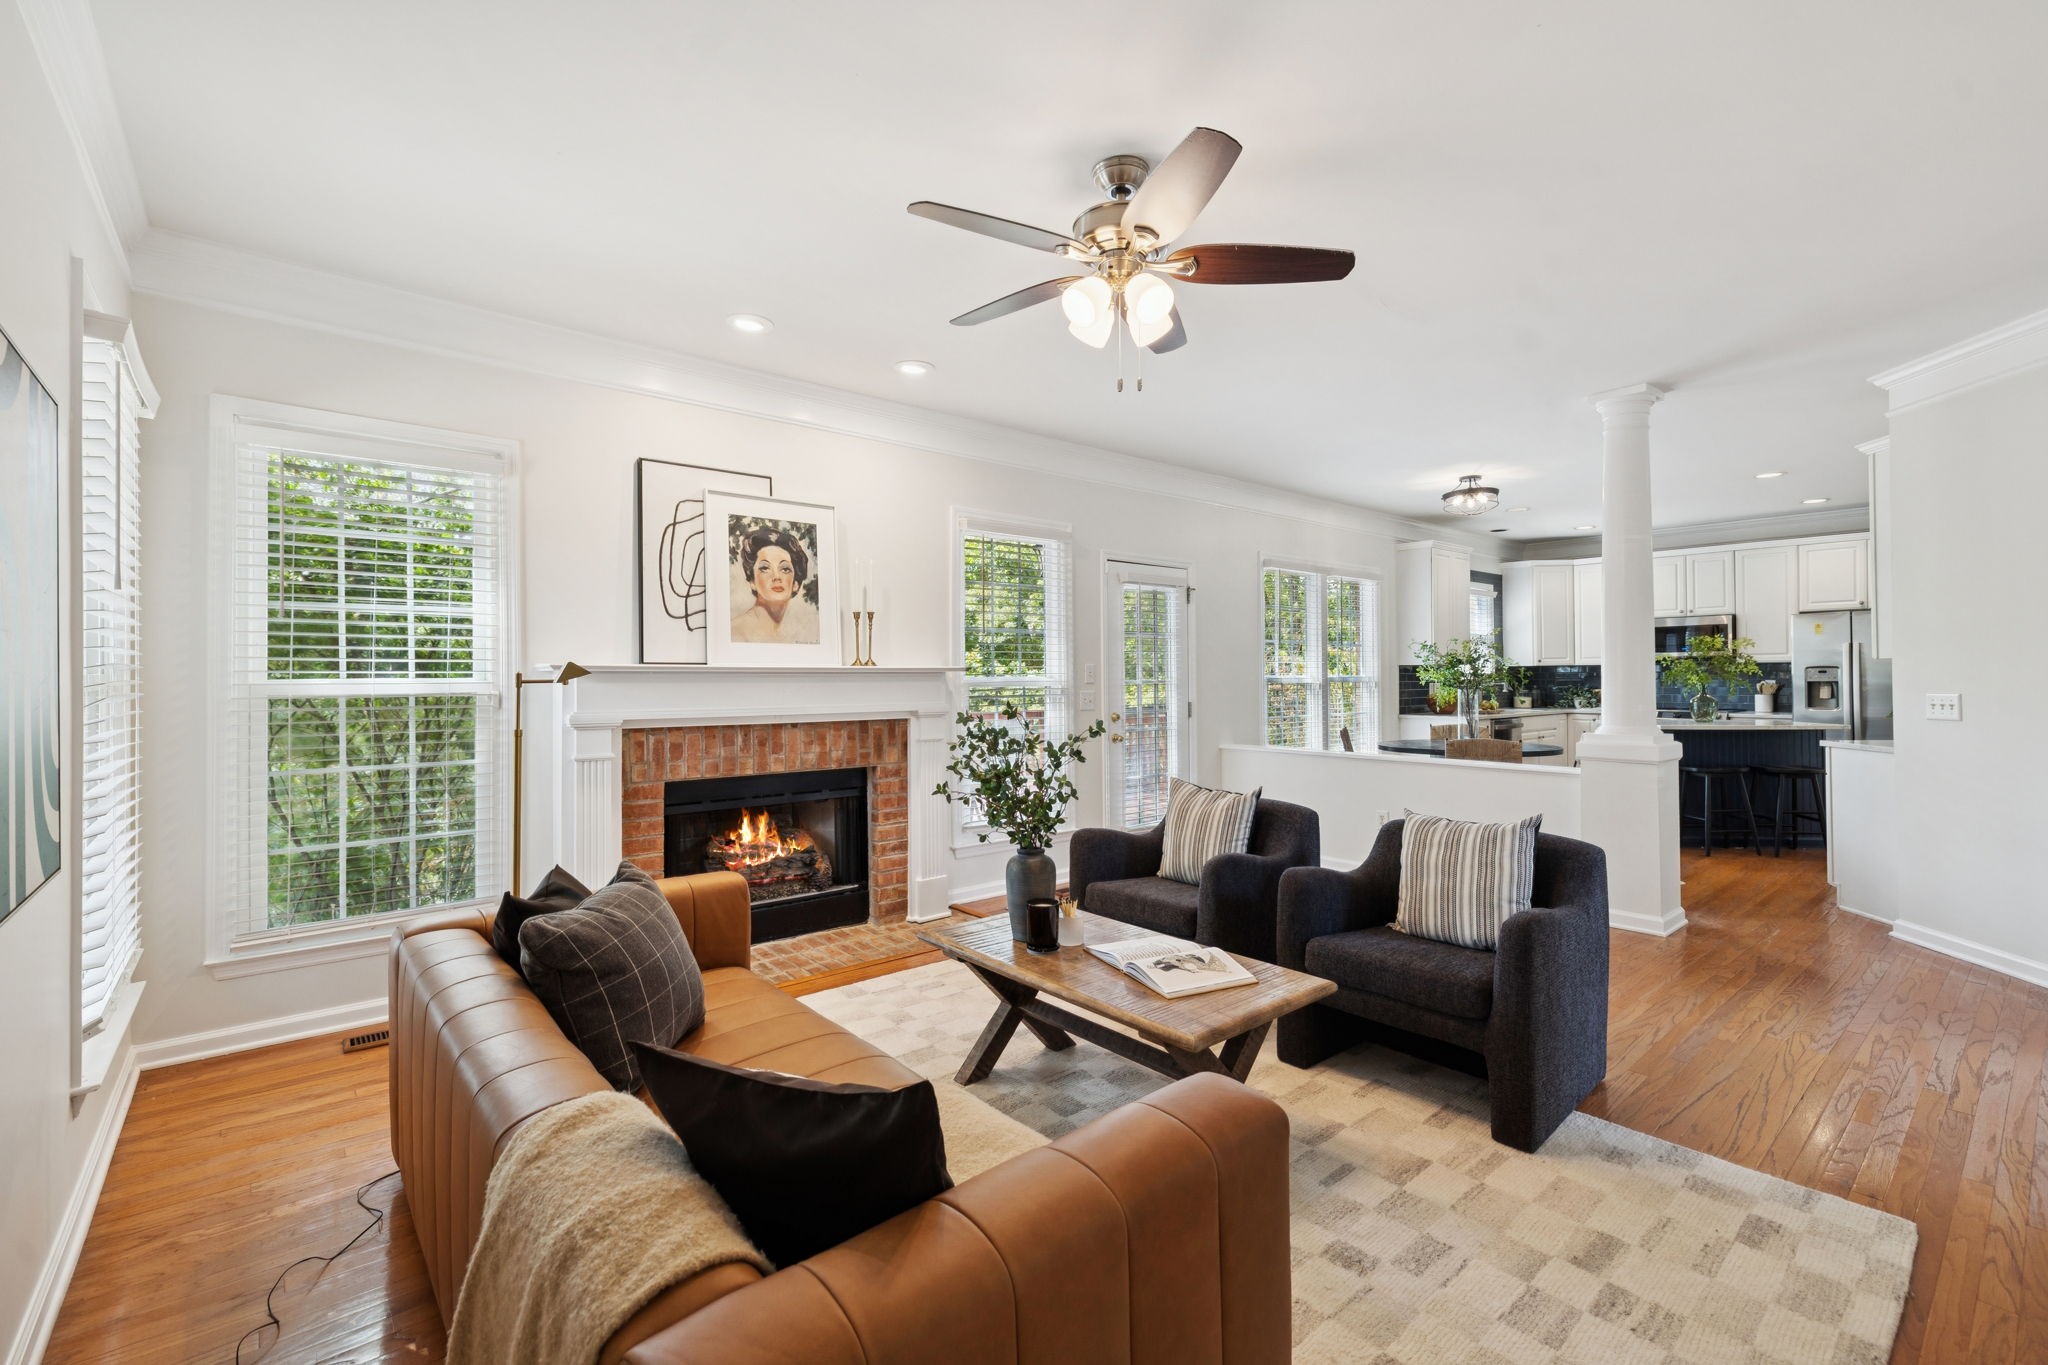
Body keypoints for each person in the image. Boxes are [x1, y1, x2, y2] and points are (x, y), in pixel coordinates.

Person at [730, 524, 819, 644]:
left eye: (785, 569)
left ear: (795, 584)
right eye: (765, 568)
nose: (776, 577)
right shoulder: (736, 633)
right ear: (752, 582)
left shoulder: (786, 640)